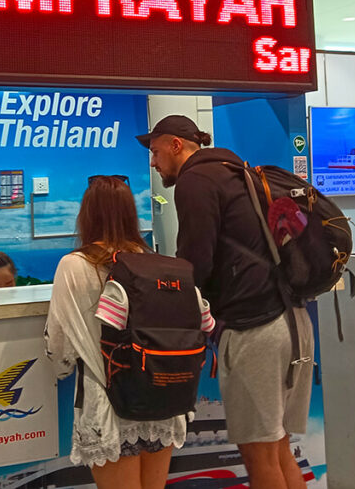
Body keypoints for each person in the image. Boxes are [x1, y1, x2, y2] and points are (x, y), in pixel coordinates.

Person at [137, 115, 314, 489]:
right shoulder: (237, 170)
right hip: (293, 320)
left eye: (154, 152)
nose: (153, 163)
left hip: (256, 329)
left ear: (175, 145)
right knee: (279, 447)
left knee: (259, 453)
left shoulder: (195, 181)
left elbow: (194, 263)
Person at [45, 176, 195, 489]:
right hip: (162, 396)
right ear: (131, 214)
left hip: (109, 404)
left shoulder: (74, 265)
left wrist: (61, 370)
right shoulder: (154, 262)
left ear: (86, 215)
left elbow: (59, 344)